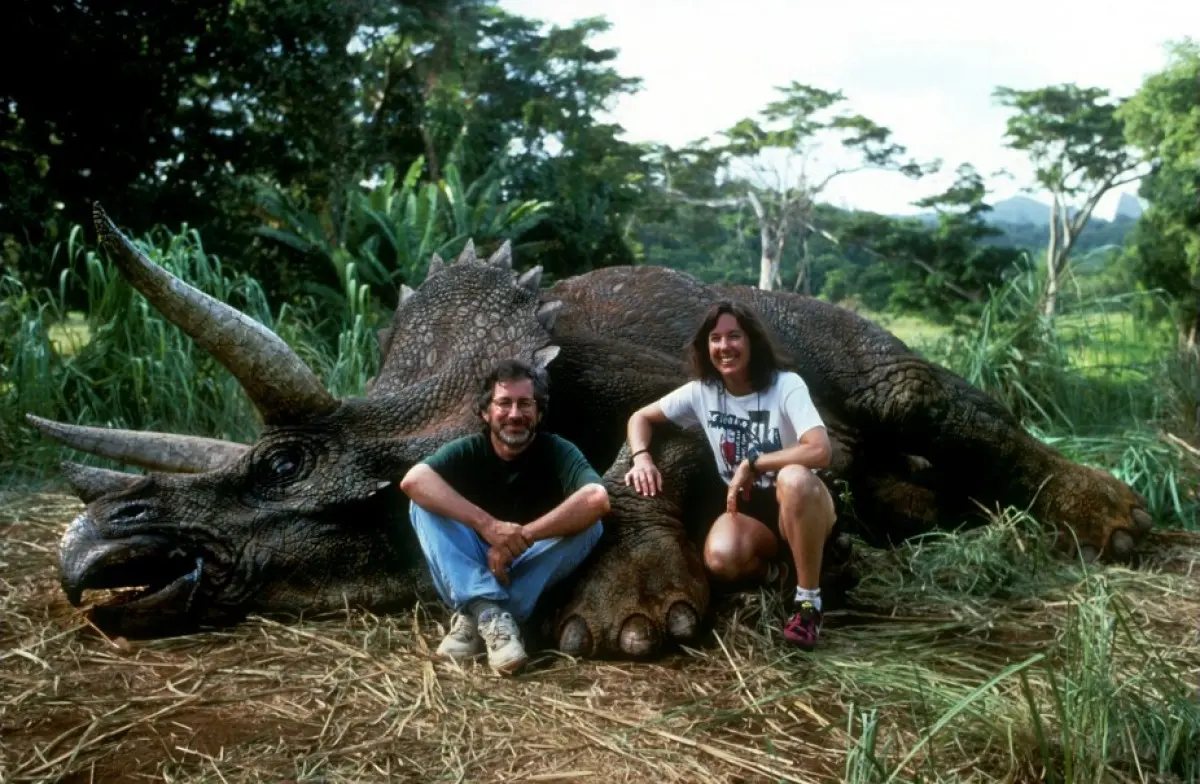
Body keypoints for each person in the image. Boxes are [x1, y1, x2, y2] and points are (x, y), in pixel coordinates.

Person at [623, 300, 836, 650]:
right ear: (706, 347)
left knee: (793, 478)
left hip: (800, 502)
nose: (725, 347)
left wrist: (754, 463)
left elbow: (820, 450)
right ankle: (781, 576)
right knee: (721, 558)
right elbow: (640, 418)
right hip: (749, 511)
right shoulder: (703, 392)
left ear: (751, 340)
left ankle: (808, 603)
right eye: (716, 338)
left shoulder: (786, 385)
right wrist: (642, 457)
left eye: (734, 336)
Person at [400, 359, 609, 674]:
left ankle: (476, 618)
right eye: (504, 403)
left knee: (591, 525)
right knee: (422, 505)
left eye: (525, 404)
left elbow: (597, 498)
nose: (515, 414)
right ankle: (490, 614)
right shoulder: (468, 449)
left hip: (524, 564)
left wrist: (520, 539)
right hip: (472, 565)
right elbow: (413, 481)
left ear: (538, 413)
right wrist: (489, 526)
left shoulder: (557, 450)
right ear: (485, 413)